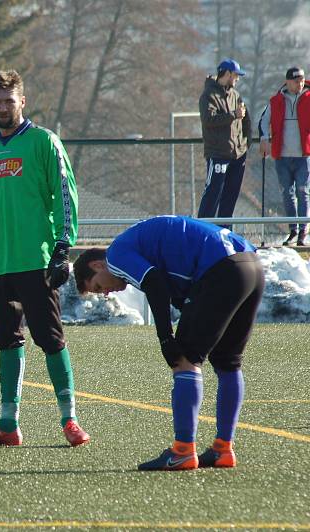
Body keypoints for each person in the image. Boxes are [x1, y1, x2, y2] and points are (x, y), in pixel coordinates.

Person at [0, 69, 90, 448]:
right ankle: (7, 424)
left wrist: (63, 246)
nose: (2, 107)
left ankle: (69, 420)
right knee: (7, 341)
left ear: (22, 102)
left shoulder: (43, 142)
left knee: (50, 340)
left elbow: (65, 196)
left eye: (9, 101)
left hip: (36, 261)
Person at [73, 216, 264, 471]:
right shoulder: (139, 243)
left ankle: (183, 451)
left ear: (98, 264)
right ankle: (222, 449)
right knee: (227, 362)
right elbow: (178, 288)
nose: (106, 293)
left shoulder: (116, 254)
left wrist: (165, 337)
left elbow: (154, 282)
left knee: (184, 360)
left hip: (221, 270)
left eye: (98, 286)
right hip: (251, 265)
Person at [258, 66, 310, 246]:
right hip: (282, 156)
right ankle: (293, 231)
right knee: (287, 194)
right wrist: (264, 139)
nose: (300, 83)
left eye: (302, 80)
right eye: (296, 81)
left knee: (303, 192)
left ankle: (304, 232)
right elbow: (263, 121)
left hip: (304, 156)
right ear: (287, 81)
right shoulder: (276, 101)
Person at [198, 59, 251, 229]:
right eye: (236, 75)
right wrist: (232, 115)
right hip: (218, 154)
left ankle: (225, 231)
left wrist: (245, 145)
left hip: (237, 155)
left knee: (231, 195)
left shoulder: (235, 95)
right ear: (227, 74)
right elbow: (208, 120)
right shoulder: (208, 95)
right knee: (213, 193)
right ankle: (202, 229)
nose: (237, 79)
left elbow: (245, 121)